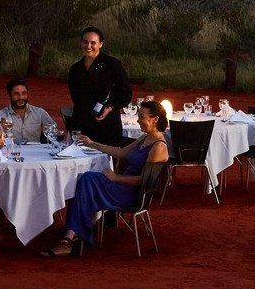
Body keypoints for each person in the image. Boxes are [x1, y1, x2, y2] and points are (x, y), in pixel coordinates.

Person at [42, 100, 169, 258]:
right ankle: (72, 235)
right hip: (121, 187)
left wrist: (115, 177)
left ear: (155, 119)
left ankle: (71, 237)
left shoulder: (158, 147)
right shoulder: (145, 138)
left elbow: (143, 181)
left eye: (141, 116)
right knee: (84, 181)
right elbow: (121, 153)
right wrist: (92, 143)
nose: (137, 120)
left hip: (131, 194)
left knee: (87, 180)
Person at [66, 26, 132, 146]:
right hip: (82, 125)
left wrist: (110, 108)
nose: (88, 46)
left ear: (100, 44)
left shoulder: (112, 65)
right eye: (85, 42)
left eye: (93, 42)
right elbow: (77, 99)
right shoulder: (75, 69)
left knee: (107, 163)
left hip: (107, 127)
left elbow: (126, 94)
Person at [0, 77, 56, 143]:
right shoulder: (0, 116)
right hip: (11, 152)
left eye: (24, 93)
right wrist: (1, 131)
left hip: (35, 152)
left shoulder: (40, 113)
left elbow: (54, 133)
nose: (21, 97)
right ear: (9, 95)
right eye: (16, 94)